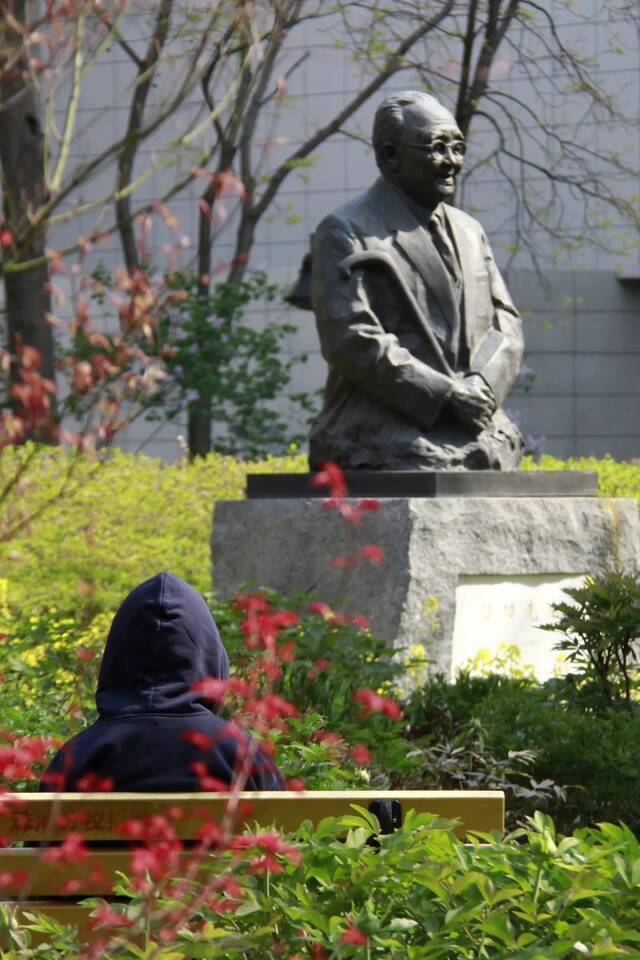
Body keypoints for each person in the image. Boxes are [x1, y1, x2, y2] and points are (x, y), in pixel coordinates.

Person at [309, 90, 524, 471]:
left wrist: (482, 390)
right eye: (437, 147)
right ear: (390, 155)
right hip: (386, 427)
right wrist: (445, 394)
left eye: (457, 147)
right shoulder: (348, 229)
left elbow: (505, 320)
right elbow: (349, 337)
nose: (452, 162)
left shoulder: (469, 230)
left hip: (474, 420)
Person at [41, 572, 284, 792]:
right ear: (208, 655)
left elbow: (41, 838)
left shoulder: (78, 756)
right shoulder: (242, 755)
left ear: (118, 656)